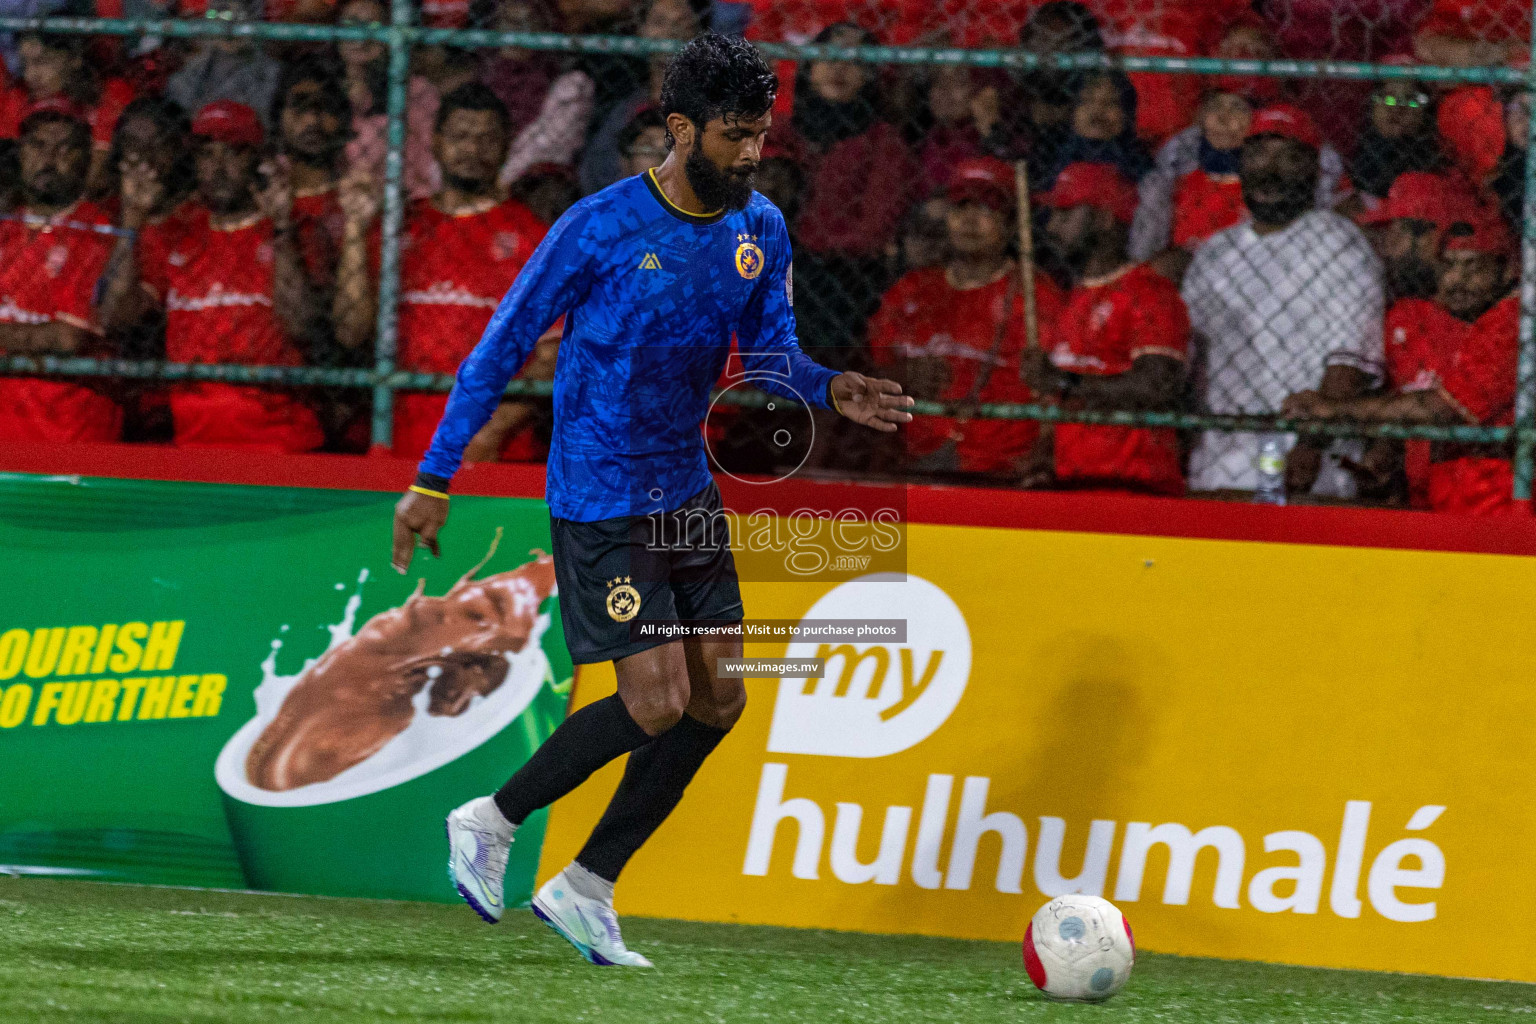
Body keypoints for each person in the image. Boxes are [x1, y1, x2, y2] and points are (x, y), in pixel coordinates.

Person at [397, 34, 912, 967]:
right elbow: (500, 348)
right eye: (734, 134)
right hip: (601, 494)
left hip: (685, 491)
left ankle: (588, 883)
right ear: (679, 129)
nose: (753, 152)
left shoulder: (760, 227)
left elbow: (766, 358)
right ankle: (490, 818)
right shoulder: (598, 228)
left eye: (760, 133)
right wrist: (434, 476)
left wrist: (831, 386)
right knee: (658, 701)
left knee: (721, 700)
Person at [333, 83, 553, 463]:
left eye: (487, 139)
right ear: (434, 142)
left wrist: (492, 430)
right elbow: (350, 331)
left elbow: (554, 354)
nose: (472, 150)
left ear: (506, 146)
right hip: (397, 440)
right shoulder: (397, 229)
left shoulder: (535, 238)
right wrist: (355, 229)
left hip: (491, 449)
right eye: (460, 136)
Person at [1181, 105, 1385, 500]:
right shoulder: (1215, 251)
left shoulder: (1338, 242)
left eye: (1287, 156)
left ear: (1312, 167)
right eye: (1258, 154)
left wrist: (1308, 449)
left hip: (1307, 468)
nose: (1268, 169)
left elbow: (1350, 361)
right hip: (1215, 463)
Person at [99, 100, 325, 452]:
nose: (218, 168)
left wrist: (281, 227)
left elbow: (300, 324)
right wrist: (131, 219)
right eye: (207, 154)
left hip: (281, 443)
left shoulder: (296, 230)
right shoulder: (174, 231)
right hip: (195, 442)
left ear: (258, 159)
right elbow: (114, 316)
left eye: (233, 153)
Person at [1284, 216, 1523, 516]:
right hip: (1441, 497)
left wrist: (1334, 409)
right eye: (1448, 266)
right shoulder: (1417, 320)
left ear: (1507, 270)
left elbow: (1439, 410)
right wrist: (1385, 453)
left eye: (1474, 267)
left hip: (1494, 504)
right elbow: (1404, 402)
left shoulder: (1513, 321)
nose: (1458, 281)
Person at [867, 157, 1063, 480]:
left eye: (987, 209)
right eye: (961, 207)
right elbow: (868, 364)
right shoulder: (912, 290)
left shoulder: (1036, 296)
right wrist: (902, 373)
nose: (970, 220)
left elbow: (1055, 389)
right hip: (911, 460)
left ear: (1012, 224)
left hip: (999, 467)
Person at [1029, 161, 1189, 494]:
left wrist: (1063, 382)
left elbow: (1157, 385)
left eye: (1065, 213)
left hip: (1135, 486)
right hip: (1073, 482)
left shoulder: (1149, 292)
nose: (1053, 227)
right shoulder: (1070, 298)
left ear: (1103, 219)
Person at [0, 100, 122, 443]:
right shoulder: (6, 227)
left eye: (63, 148)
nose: (48, 159)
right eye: (37, 145)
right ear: (21, 154)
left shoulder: (98, 232)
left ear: (84, 159)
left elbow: (66, 338)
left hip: (68, 436)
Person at [578, 0, 707, 196]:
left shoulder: (713, 107)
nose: (671, 32)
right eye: (659, 22)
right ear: (642, 31)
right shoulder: (625, 108)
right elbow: (597, 170)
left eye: (682, 24)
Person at [476, 0, 596, 189]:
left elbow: (549, 152)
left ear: (545, 27)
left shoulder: (572, 86)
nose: (517, 32)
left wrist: (494, 188)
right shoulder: (477, 78)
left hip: (532, 190)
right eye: (509, 22)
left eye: (528, 22)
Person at [163, 0, 283, 127]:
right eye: (222, 12)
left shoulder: (273, 74)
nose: (229, 24)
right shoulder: (186, 78)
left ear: (256, 19)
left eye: (243, 14)